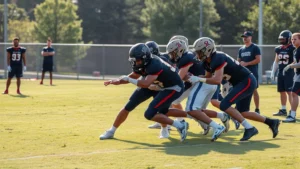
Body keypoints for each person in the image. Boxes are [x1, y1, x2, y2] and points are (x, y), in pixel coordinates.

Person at [190, 37, 280, 141]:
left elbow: (217, 80)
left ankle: (250, 128)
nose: (197, 54)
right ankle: (272, 122)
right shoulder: (207, 62)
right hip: (240, 82)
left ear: (208, 50)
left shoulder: (218, 58)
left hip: (246, 81)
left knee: (224, 105)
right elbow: (208, 77)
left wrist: (198, 79)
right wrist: (194, 77)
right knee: (243, 112)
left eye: (199, 52)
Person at [99, 43, 189, 142]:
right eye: (134, 60)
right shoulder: (142, 63)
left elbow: (145, 83)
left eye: (137, 60)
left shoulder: (155, 63)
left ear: (145, 58)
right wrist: (118, 81)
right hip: (155, 84)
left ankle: (170, 127)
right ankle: (111, 131)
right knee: (129, 106)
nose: (136, 63)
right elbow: (134, 76)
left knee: (160, 111)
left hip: (170, 87)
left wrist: (128, 79)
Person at [271, 30, 294, 116]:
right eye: (280, 39)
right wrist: (273, 71)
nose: (281, 41)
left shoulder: (293, 48)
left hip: (290, 72)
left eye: (283, 39)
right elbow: (276, 61)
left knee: (289, 92)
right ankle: (283, 109)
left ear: (288, 39)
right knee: (282, 91)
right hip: (281, 72)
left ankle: (292, 110)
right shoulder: (278, 48)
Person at [238, 31, 261, 114]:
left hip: (252, 72)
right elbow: (239, 61)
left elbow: (258, 59)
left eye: (246, 37)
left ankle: (257, 109)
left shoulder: (255, 47)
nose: (245, 38)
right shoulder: (241, 49)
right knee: (242, 90)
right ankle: (241, 107)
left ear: (251, 37)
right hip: (243, 74)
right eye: (243, 37)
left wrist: (247, 63)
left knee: (254, 90)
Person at [282, 32, 300, 122]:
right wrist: (290, 65)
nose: (293, 41)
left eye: (295, 39)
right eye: (292, 39)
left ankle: (292, 116)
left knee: (294, 93)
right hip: (297, 75)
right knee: (294, 94)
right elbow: (296, 62)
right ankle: (292, 115)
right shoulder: (295, 50)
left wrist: (290, 66)